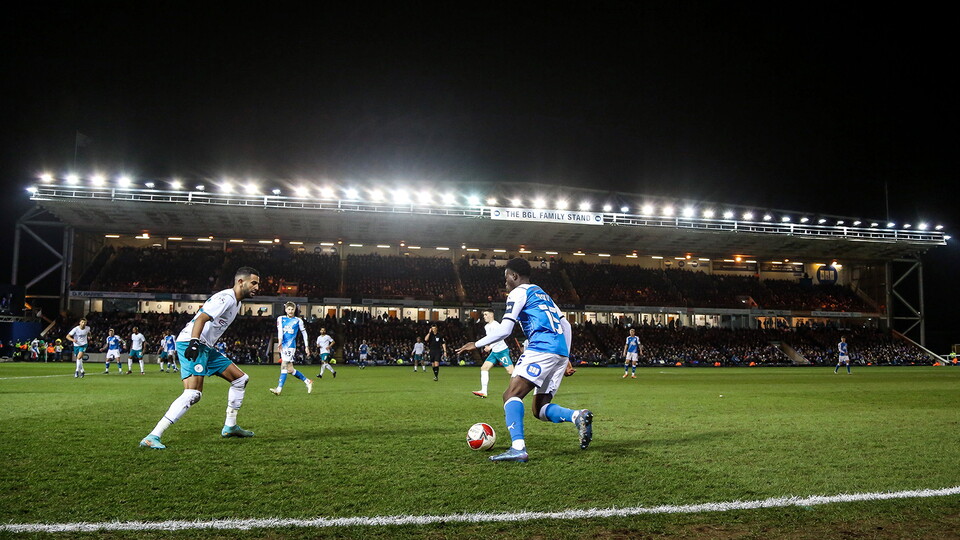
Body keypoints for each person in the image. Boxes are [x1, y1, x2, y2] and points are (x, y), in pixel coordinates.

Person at [456, 258, 592, 462]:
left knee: (511, 394)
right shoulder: (542, 293)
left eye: (506, 278)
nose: (505, 283)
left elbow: (505, 329)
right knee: (540, 408)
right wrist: (565, 357)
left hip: (541, 347)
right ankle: (577, 416)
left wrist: (475, 344)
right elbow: (567, 327)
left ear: (514, 276)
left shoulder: (517, 292)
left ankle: (518, 448)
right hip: (558, 350)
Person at [139, 267, 260, 449]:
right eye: (254, 283)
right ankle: (152, 436)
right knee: (193, 394)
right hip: (192, 342)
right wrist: (194, 343)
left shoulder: (237, 303)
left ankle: (230, 425)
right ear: (240, 282)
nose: (257, 287)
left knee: (240, 379)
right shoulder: (225, 298)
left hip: (206, 347)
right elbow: (201, 318)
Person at [270, 302, 313, 395]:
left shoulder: (298, 320)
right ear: (285, 310)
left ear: (295, 310)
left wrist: (306, 346)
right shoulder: (280, 319)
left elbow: (304, 333)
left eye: (292, 309)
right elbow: (280, 331)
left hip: (290, 346)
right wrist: (280, 341)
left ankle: (279, 389)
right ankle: (307, 381)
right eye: (289, 309)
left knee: (284, 365)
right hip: (283, 345)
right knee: (290, 369)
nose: (290, 311)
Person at [473, 310, 515, 398]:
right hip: (495, 352)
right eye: (483, 314)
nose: (484, 316)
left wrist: (490, 346)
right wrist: (488, 345)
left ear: (491, 315)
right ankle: (484, 391)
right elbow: (491, 338)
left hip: (502, 351)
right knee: (484, 368)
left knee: (511, 371)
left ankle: (521, 387)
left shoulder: (496, 325)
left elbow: (499, 337)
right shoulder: (486, 327)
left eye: (485, 314)